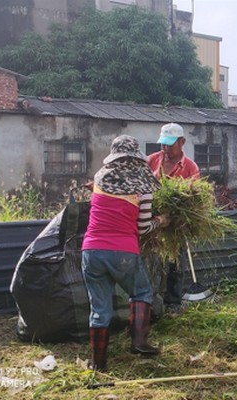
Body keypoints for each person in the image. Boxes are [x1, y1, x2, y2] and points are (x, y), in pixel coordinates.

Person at [82, 135, 170, 371]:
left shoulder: (100, 177)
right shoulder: (145, 185)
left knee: (99, 309)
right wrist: (160, 221)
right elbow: (142, 227)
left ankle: (98, 364)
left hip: (91, 251)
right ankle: (139, 342)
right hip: (123, 251)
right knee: (141, 291)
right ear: (136, 156)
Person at [146, 123, 200, 316]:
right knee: (151, 263)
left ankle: (173, 303)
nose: (165, 148)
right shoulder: (152, 160)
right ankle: (149, 302)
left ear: (182, 142)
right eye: (163, 144)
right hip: (151, 223)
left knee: (175, 263)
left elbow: (194, 199)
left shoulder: (190, 167)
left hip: (175, 226)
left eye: (170, 144)